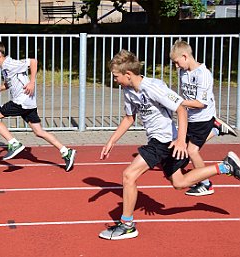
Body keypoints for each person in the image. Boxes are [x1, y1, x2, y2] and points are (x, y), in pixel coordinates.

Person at [98, 49, 240, 240]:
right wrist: (111, 141)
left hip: (164, 141)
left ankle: (127, 225)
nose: (114, 79)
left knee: (128, 175)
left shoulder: (154, 87)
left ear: (128, 74)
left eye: (116, 76)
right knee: (179, 183)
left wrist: (181, 140)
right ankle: (225, 166)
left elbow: (180, 107)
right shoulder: (128, 90)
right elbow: (129, 118)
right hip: (159, 141)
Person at [0, 40, 76, 171]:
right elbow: (11, 80)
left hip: (22, 101)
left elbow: (33, 61)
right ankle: (66, 151)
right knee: (39, 132)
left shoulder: (10, 63)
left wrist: (32, 82)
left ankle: (14, 143)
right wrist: (1, 88)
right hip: (28, 102)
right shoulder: (4, 67)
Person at [170, 40, 237, 196]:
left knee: (191, 151)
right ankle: (216, 129)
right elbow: (185, 96)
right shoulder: (183, 72)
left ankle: (206, 184)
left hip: (202, 118)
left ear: (185, 56)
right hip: (190, 118)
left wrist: (176, 102)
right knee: (184, 150)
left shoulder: (203, 74)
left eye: (177, 62)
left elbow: (200, 103)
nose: (176, 66)